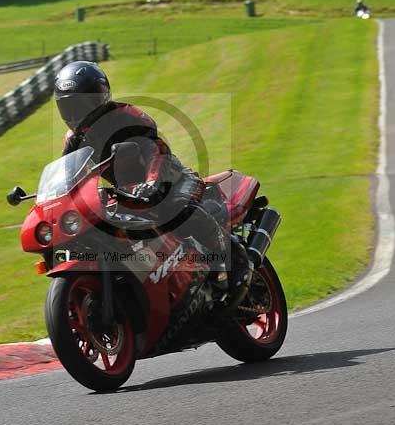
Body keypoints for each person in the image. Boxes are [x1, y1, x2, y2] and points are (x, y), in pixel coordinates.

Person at [53, 61, 250, 290]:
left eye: (82, 104)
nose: (77, 113)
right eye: (69, 106)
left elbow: (154, 150)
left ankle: (234, 262)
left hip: (170, 180)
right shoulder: (74, 139)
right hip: (125, 192)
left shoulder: (125, 116)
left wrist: (152, 181)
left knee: (179, 210)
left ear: (100, 97)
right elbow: (68, 174)